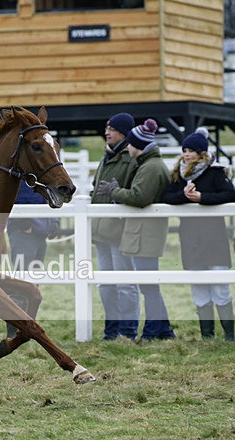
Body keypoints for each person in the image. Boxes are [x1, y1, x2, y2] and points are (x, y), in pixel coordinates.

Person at [99, 118, 175, 341]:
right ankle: (163, 331)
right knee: (148, 287)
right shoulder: (149, 164)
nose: (128, 148)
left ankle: (153, 332)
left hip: (144, 235)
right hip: (141, 234)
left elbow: (139, 197)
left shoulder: (150, 167)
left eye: (131, 143)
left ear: (136, 145)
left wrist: (114, 191)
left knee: (148, 288)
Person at [161, 127, 235, 340]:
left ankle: (229, 335)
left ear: (201, 153)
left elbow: (231, 194)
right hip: (190, 239)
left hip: (214, 238)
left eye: (191, 150)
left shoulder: (214, 172)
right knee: (199, 288)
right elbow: (166, 196)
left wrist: (203, 198)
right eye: (185, 149)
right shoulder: (178, 174)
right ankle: (207, 336)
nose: (186, 154)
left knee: (220, 287)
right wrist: (185, 197)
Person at [90, 112, 140, 341]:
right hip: (101, 232)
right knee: (106, 285)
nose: (106, 131)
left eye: (112, 128)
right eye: (106, 127)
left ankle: (127, 331)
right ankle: (111, 330)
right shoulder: (106, 157)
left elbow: (130, 192)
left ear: (124, 132)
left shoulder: (130, 158)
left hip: (121, 232)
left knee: (125, 283)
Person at [4, 180, 60, 338]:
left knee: (32, 280)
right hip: (26, 229)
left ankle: (27, 326)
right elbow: (18, 195)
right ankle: (14, 328)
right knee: (21, 279)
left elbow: (51, 195)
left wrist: (53, 222)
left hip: (40, 230)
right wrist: (24, 222)